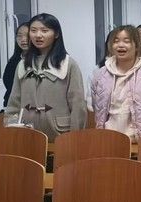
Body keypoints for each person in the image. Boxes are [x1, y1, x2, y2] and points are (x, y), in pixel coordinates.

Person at [6, 13, 86, 141]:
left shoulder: (68, 64)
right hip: (27, 134)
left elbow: (78, 105)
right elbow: (14, 103)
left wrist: (75, 138)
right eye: (33, 31)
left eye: (44, 31)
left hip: (60, 134)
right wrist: (12, 130)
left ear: (56, 34)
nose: (38, 35)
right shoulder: (23, 64)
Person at [90, 26, 141, 141]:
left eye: (126, 41)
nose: (120, 45)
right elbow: (97, 105)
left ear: (137, 45)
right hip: (108, 138)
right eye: (116, 41)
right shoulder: (101, 75)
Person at [2, 23, 30, 107]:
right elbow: (9, 87)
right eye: (19, 36)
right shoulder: (13, 61)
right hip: (12, 107)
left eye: (27, 35)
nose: (23, 39)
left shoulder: (40, 61)